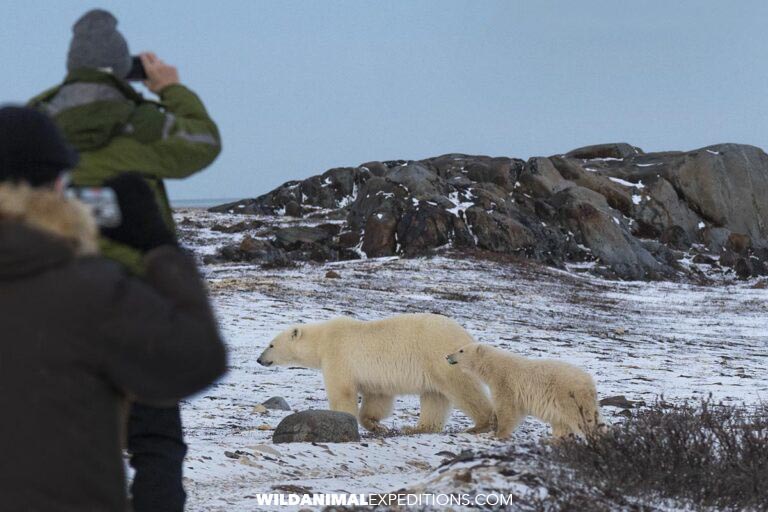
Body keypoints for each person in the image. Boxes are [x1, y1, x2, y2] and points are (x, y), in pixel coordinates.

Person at [29, 9, 222, 510]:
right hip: (137, 301)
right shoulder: (145, 121)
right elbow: (202, 144)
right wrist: (171, 89)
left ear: (71, 67)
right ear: (125, 67)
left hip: (53, 304)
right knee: (156, 444)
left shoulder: (36, 122)